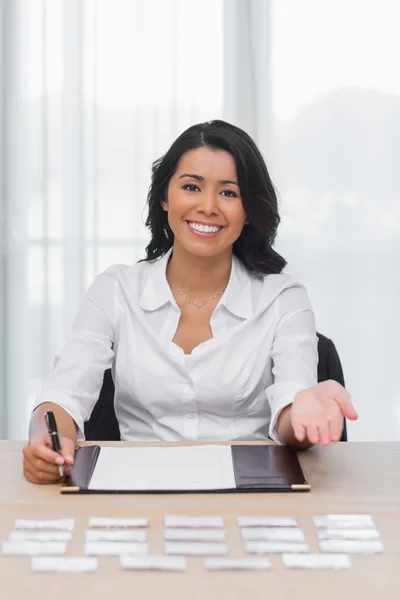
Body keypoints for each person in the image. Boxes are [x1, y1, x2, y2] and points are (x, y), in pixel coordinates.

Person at [23, 120, 358, 484]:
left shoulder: (284, 299)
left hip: (252, 498)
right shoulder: (115, 289)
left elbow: (290, 415)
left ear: (249, 211)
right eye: (191, 187)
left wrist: (305, 408)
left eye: (229, 193)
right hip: (136, 494)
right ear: (165, 197)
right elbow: (63, 396)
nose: (208, 206)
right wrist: (46, 436)